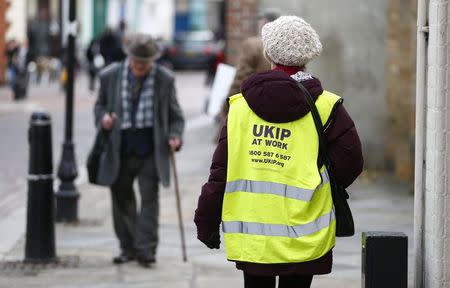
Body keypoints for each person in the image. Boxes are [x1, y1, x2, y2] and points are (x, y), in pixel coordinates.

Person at [194, 16, 363, 288]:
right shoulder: (328, 106)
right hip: (304, 231)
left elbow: (220, 172)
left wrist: (207, 221)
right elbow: (351, 162)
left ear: (268, 52)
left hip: (253, 235)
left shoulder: (239, 108)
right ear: (307, 56)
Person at [94, 33, 185, 267]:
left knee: (149, 199)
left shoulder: (164, 79)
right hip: (120, 147)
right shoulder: (110, 76)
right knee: (121, 198)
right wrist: (103, 118)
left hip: (151, 149)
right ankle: (128, 247)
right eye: (136, 63)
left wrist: (175, 136)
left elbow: (176, 116)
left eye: (145, 64)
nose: (140, 67)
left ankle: (146, 250)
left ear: (152, 61)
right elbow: (100, 106)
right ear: (129, 57)